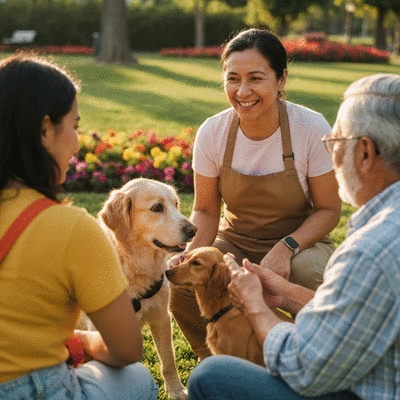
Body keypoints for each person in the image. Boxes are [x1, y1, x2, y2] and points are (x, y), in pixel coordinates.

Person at [187, 72, 400, 400]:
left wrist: (255, 304)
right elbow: (363, 314)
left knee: (211, 376)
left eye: (337, 142)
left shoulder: (372, 250)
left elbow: (306, 369)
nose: (332, 154)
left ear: (366, 153)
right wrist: (287, 296)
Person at [169, 28, 341, 360]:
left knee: (310, 275)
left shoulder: (311, 128)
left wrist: (286, 247)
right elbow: (205, 211)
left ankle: (313, 361)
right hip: (234, 241)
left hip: (300, 242)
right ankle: (218, 366)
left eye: (256, 78)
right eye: (233, 79)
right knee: (181, 287)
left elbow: (329, 210)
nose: (243, 91)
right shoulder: (213, 132)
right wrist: (191, 253)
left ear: (281, 79)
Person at [0, 54, 158, 399]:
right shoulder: (70, 228)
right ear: (45, 129)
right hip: (32, 390)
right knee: (137, 378)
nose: (76, 142)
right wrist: (80, 342)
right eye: (73, 126)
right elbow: (127, 349)